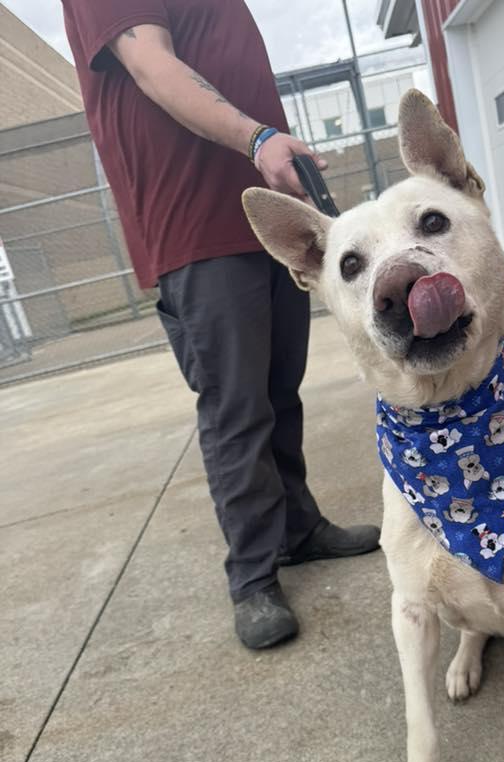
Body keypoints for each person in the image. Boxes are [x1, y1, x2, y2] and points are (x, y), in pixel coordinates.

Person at [62, 0, 380, 650]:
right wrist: (260, 140)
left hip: (267, 220)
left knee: (279, 391)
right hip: (195, 227)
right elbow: (150, 65)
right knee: (236, 410)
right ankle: (252, 577)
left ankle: (297, 530)